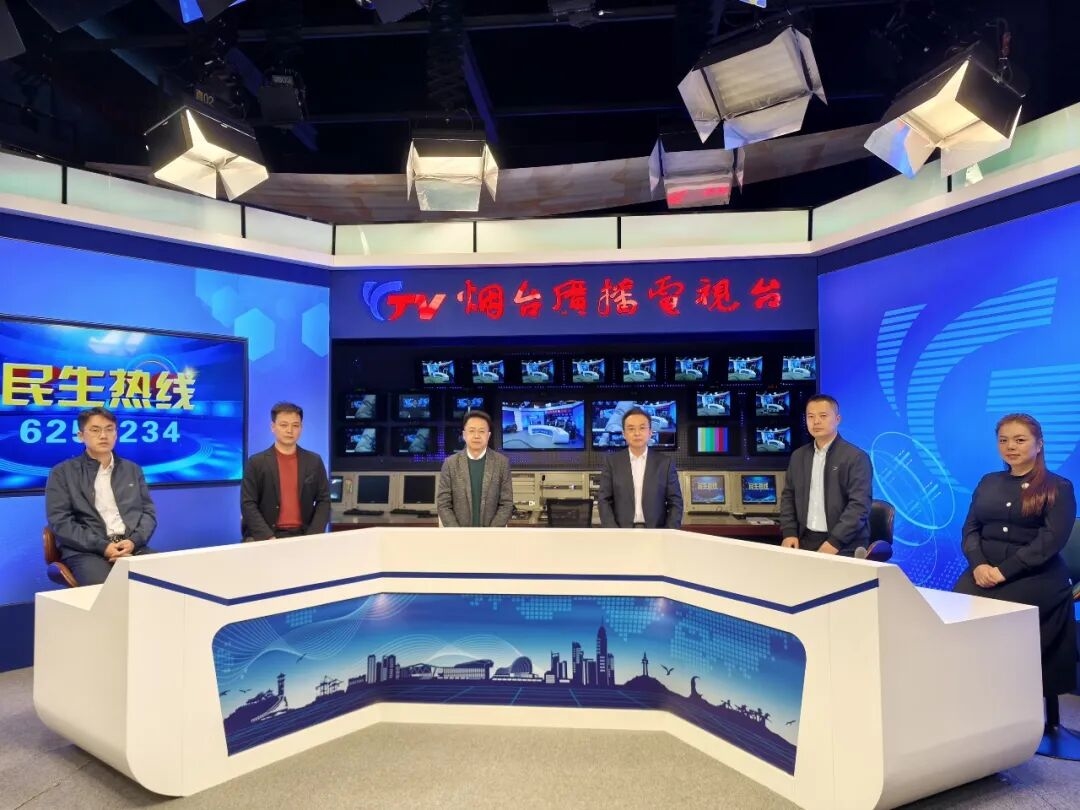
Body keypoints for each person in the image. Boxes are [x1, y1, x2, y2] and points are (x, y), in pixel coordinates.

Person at [953, 413, 1077, 697]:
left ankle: (1009, 698)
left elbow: (1050, 541)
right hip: (983, 571)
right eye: (1003, 440)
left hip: (1036, 575)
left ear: (1039, 444)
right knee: (955, 610)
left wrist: (1004, 571)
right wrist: (979, 564)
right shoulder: (988, 482)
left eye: (1020, 440)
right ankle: (968, 694)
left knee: (1001, 620)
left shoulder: (1059, 487)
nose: (1010, 446)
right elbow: (970, 530)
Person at [45, 407, 157, 585]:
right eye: (95, 430)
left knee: (168, 581)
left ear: (116, 434)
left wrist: (133, 542)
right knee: (109, 590)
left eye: (109, 429)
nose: (103, 435)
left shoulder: (132, 470)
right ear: (81, 436)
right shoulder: (62, 473)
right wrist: (103, 547)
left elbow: (148, 513)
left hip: (131, 547)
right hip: (86, 551)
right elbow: (60, 521)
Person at [780, 394, 872, 555]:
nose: (816, 421)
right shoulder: (798, 456)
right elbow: (788, 496)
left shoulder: (856, 457)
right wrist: (789, 532)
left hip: (845, 543)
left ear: (837, 419)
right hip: (805, 538)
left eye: (823, 416)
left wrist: (834, 542)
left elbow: (859, 506)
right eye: (810, 416)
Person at [241, 402, 331, 541]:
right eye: (284, 425)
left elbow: (324, 500)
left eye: (295, 425)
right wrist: (268, 537)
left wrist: (313, 536)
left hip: (304, 535)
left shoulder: (314, 461)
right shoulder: (256, 462)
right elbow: (248, 503)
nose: (290, 430)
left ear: (301, 428)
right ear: (273, 427)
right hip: (266, 535)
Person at [597, 407, 683, 529]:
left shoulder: (665, 463)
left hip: (657, 533)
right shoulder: (612, 462)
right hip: (622, 533)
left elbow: (675, 503)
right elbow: (604, 500)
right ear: (624, 434)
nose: (637, 433)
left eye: (642, 428)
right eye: (631, 428)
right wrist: (614, 532)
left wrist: (669, 533)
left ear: (650, 432)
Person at [437, 410, 513, 527]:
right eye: (472, 431)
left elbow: (506, 503)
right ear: (464, 435)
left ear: (488, 435)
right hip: (459, 534)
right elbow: (443, 504)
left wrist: (492, 533)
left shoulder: (502, 463)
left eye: (481, 431)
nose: (476, 436)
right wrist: (457, 533)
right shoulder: (450, 463)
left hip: (492, 534)